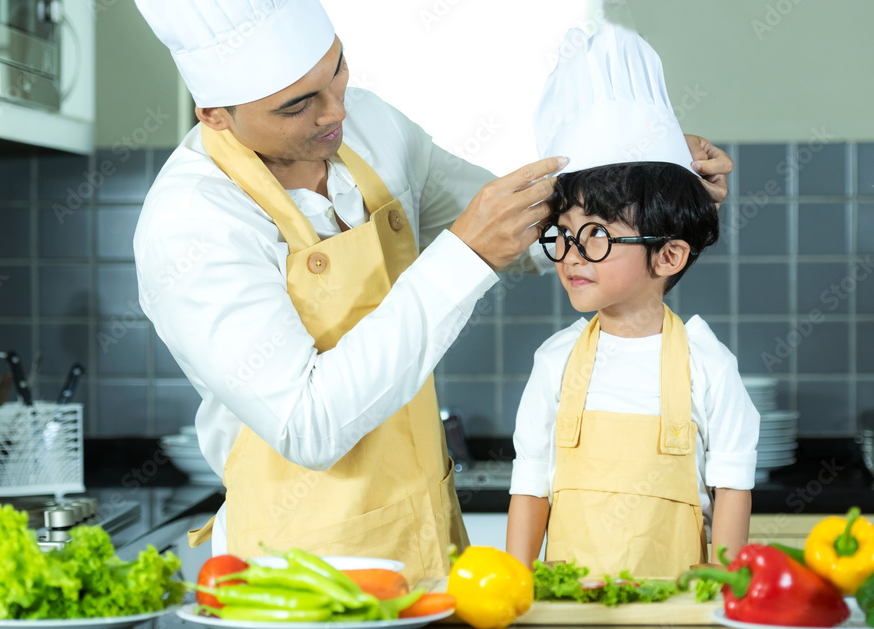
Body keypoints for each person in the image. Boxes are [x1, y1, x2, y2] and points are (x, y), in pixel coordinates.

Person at [132, 0, 734, 582]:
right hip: (300, 575)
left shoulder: (371, 128)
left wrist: (644, 171)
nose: (335, 110)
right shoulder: (191, 224)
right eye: (297, 105)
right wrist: (465, 256)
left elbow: (527, 228)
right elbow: (308, 425)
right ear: (214, 113)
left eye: (336, 68)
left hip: (431, 545)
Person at [505, 24, 758, 579]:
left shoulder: (708, 365)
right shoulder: (554, 361)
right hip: (567, 615)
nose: (571, 254)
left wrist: (728, 597)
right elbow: (531, 484)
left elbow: (732, 488)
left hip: (679, 614)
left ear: (668, 256)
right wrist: (513, 591)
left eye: (597, 233)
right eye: (563, 233)